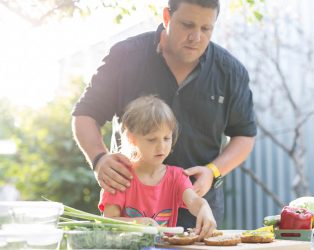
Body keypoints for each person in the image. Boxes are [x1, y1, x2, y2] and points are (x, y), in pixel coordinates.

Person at [72, 0, 257, 229]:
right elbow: (85, 114)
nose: (196, 37)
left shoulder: (230, 71)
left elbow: (245, 136)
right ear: (167, 17)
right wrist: (99, 159)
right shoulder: (125, 56)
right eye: (187, 25)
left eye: (205, 28)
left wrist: (213, 171)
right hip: (129, 217)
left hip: (197, 218)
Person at [99, 96, 216, 239]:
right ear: (132, 139)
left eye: (166, 138)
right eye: (152, 139)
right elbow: (108, 223)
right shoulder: (119, 177)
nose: (161, 147)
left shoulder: (177, 177)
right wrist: (138, 223)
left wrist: (204, 207)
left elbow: (193, 202)